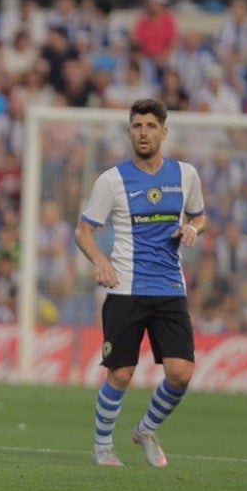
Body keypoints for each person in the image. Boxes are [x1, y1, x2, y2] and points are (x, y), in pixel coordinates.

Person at [74, 98, 205, 468]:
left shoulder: (186, 175)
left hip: (170, 288)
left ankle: (146, 429)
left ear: (164, 132)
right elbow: (83, 231)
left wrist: (192, 228)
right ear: (129, 131)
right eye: (136, 126)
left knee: (180, 374)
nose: (143, 132)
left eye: (150, 126)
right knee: (121, 372)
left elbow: (200, 216)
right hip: (126, 289)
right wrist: (100, 261)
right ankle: (102, 446)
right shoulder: (112, 181)